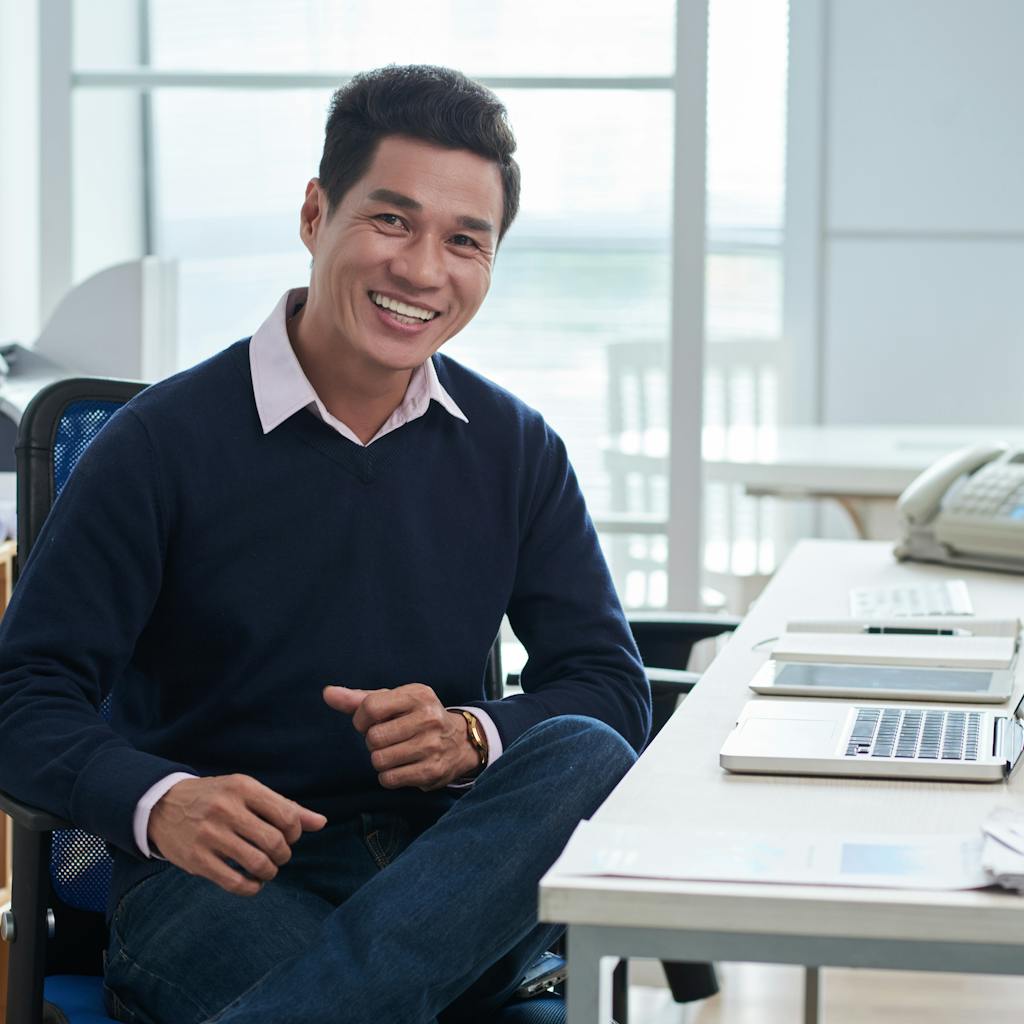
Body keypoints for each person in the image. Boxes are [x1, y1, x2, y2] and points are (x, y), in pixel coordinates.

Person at [0, 65, 650, 1023]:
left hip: (449, 871)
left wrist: (472, 736)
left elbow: (609, 688)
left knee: (586, 750)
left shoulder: (516, 449)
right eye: (391, 221)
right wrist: (163, 800)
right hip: (222, 887)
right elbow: (22, 696)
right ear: (316, 214)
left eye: (464, 241)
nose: (422, 271)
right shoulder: (156, 445)